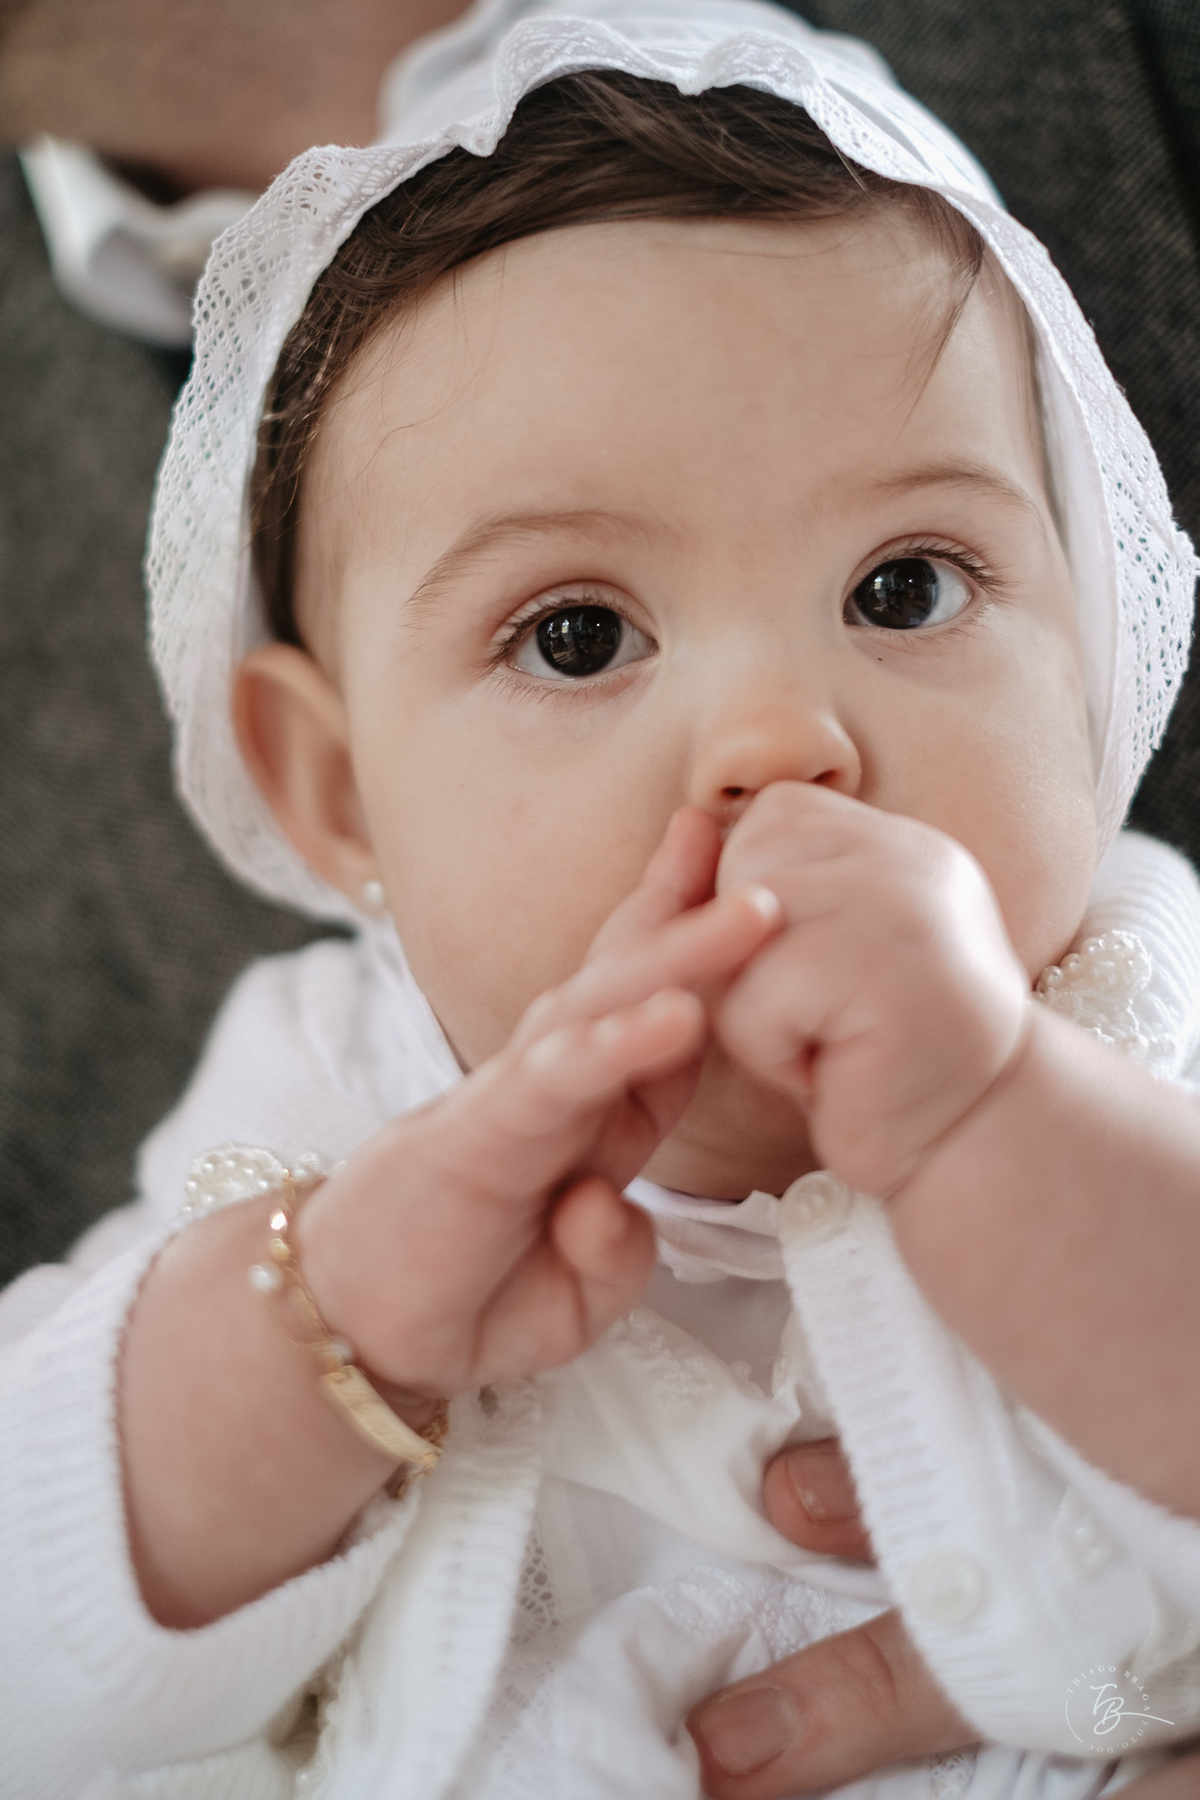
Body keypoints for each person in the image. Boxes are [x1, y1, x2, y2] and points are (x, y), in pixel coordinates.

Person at [4, 1, 1200, 1794]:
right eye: (578, 635)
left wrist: (996, 1121)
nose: (784, 736)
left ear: (1095, 632)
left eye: (906, 589)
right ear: (335, 792)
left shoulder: (1140, 1004)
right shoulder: (330, 1108)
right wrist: (327, 1329)